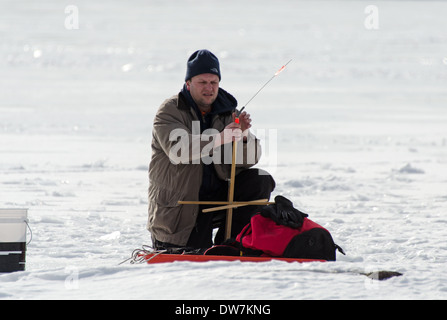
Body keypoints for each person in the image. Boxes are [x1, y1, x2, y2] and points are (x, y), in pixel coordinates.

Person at [147, 49, 275, 250]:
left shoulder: (228, 111)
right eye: (202, 82)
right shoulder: (170, 110)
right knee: (195, 256)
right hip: (182, 207)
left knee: (259, 179)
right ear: (188, 84)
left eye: (213, 82)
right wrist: (220, 138)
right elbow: (178, 150)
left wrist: (242, 136)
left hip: (217, 198)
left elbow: (251, 158)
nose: (209, 88)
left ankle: (234, 241)